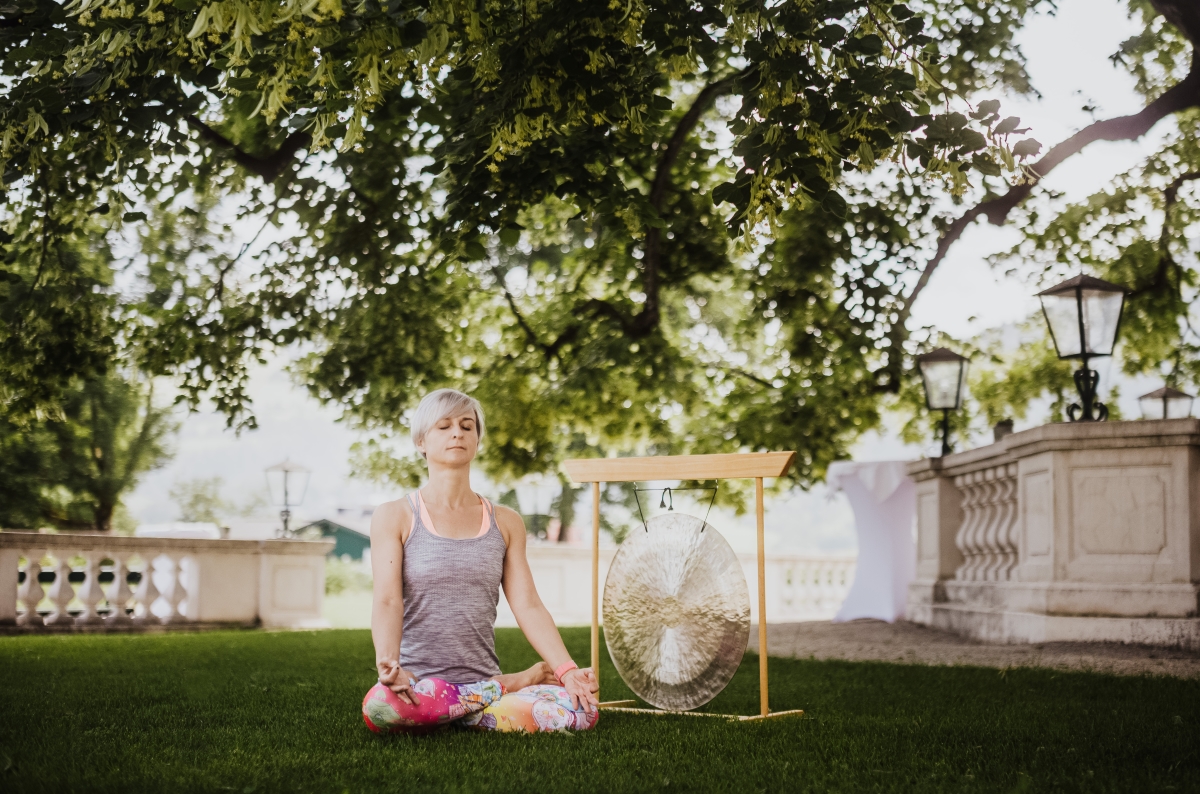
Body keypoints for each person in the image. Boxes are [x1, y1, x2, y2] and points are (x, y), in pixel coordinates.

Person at [361, 388, 600, 734]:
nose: (457, 432)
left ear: (477, 439)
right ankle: (507, 687)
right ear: (420, 442)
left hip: (476, 680)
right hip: (418, 687)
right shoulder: (394, 516)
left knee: (581, 711)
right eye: (443, 426)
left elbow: (528, 605)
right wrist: (391, 667)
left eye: (466, 425)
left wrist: (567, 671)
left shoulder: (505, 521)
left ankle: (462, 707)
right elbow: (387, 600)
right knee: (381, 707)